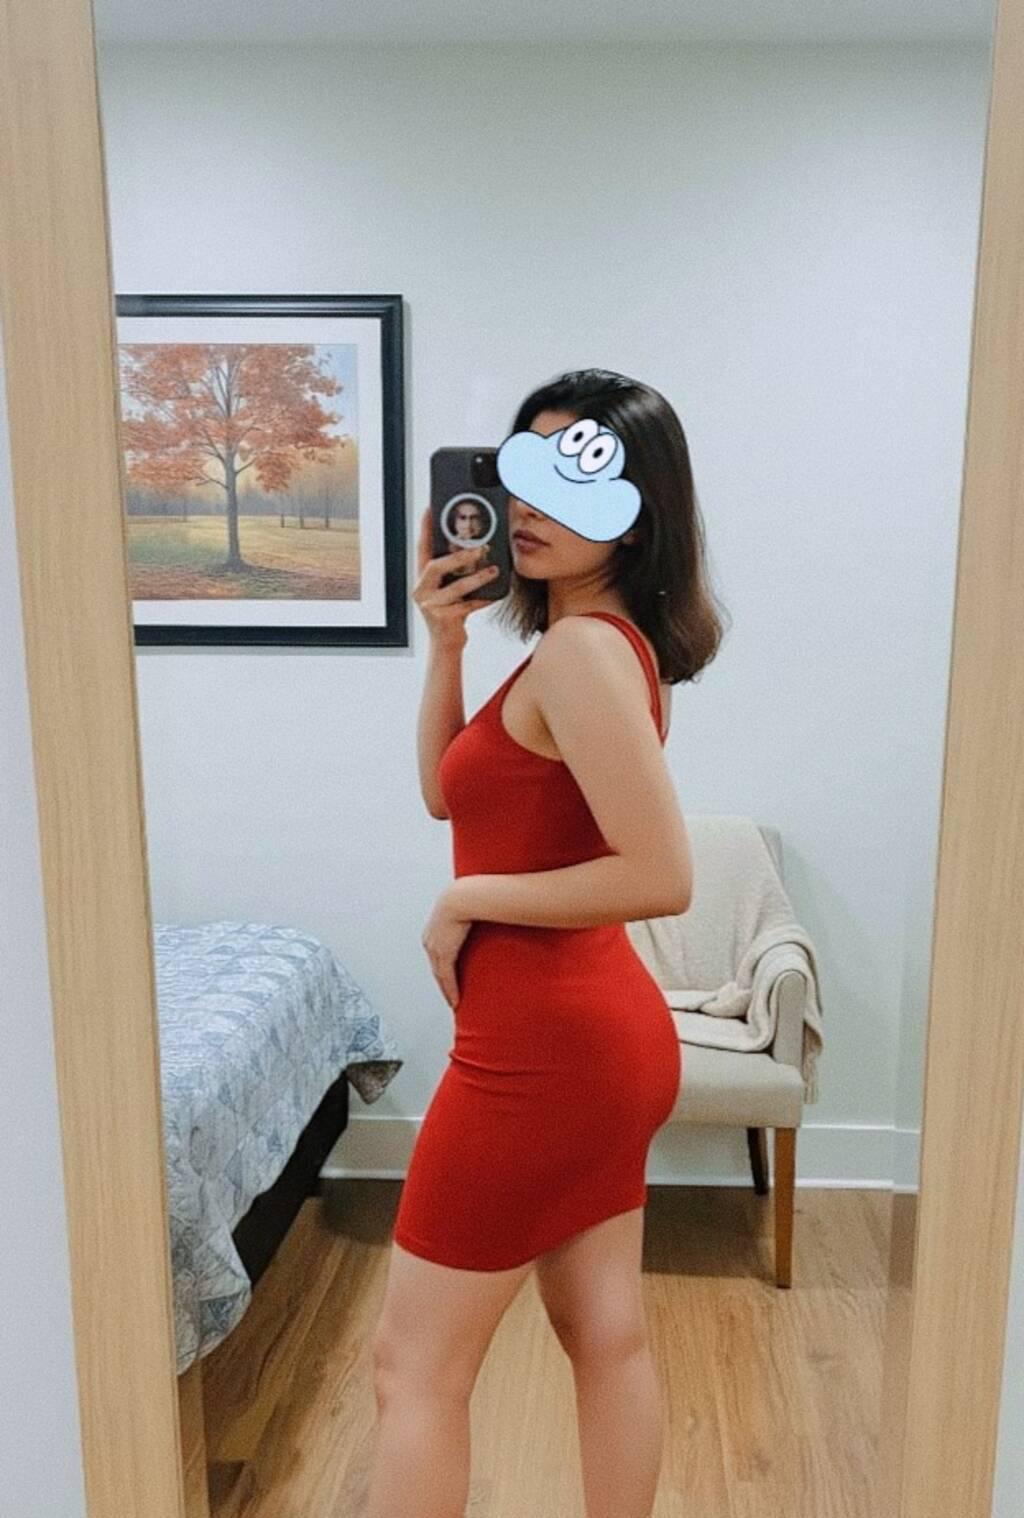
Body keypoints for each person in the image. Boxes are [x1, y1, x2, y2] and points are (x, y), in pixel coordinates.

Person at [365, 368, 728, 1518]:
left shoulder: (580, 655)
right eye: (524, 470)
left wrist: (468, 901)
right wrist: (445, 644)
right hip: (591, 1039)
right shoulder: (588, 647)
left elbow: (660, 875)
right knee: (605, 1335)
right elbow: (445, 794)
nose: (528, 504)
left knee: (411, 1369)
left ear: (641, 511)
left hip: (543, 1054)